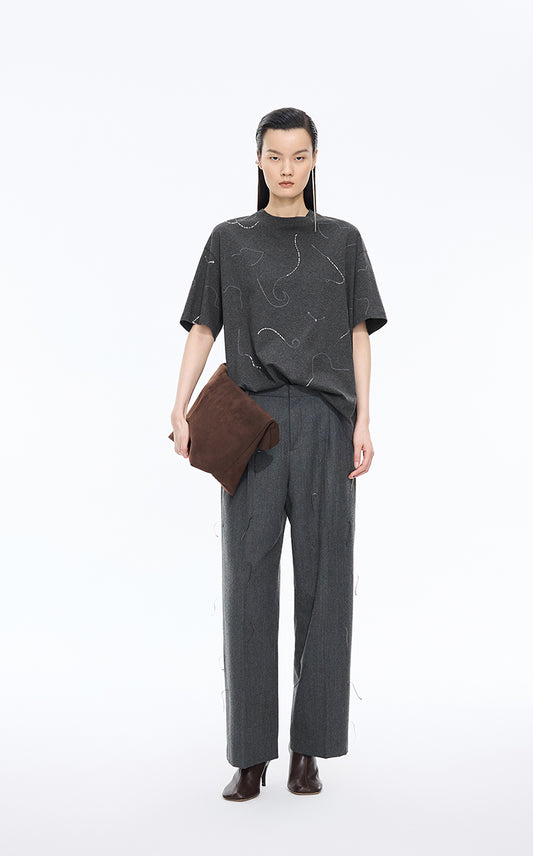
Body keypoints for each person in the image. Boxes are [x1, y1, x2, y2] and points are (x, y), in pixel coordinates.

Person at [170, 107, 388, 801]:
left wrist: (363, 420)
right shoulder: (229, 240)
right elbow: (203, 327)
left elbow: (358, 334)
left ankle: (308, 751)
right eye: (274, 155)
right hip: (252, 422)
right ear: (258, 160)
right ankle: (250, 756)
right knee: (247, 582)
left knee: (326, 584)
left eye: (298, 155)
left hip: (326, 422)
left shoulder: (342, 240)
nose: (286, 167)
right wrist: (178, 405)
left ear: (314, 159)